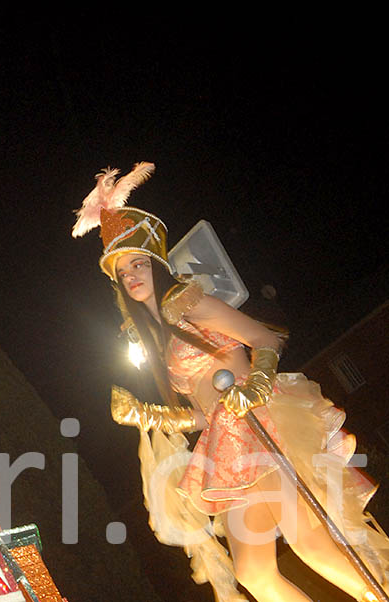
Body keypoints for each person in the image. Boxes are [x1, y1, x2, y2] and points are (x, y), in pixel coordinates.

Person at [72, 162, 389, 602]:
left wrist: (256, 384)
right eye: (123, 272)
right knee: (254, 574)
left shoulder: (187, 302)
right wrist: (145, 413)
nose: (132, 276)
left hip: (261, 423)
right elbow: (202, 414)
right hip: (226, 448)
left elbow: (266, 337)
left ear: (157, 264)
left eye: (139, 263)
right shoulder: (158, 347)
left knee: (309, 540)